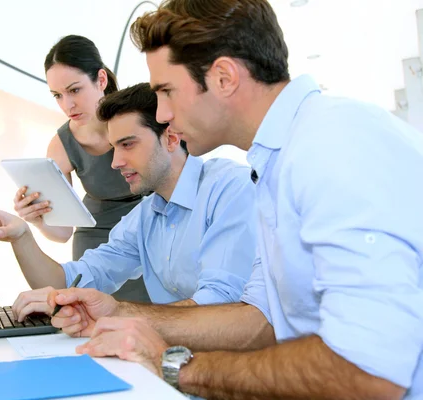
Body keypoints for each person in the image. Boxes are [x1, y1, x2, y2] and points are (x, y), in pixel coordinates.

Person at [44, 1, 423, 399]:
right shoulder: (277, 163)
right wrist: (122, 312)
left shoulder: (331, 144)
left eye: (167, 92)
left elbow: (367, 372)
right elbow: (261, 321)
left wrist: (176, 367)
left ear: (224, 77)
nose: (164, 113)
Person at [0, 82, 257, 318]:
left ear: (171, 138)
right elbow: (71, 282)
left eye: (127, 144)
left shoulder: (230, 189)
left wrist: (118, 313)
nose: (115, 162)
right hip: (177, 360)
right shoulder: (146, 216)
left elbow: (220, 302)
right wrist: (21, 236)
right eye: (114, 147)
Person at [17, 35, 149, 302]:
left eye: (74, 90)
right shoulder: (61, 146)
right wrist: (37, 219)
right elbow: (63, 232)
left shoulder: (138, 115)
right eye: (57, 96)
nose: (67, 105)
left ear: (101, 80)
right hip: (95, 238)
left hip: (150, 227)